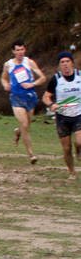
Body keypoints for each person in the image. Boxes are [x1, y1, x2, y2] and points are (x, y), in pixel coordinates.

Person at [0, 40, 46, 165]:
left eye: (22, 50)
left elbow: (43, 78)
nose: (20, 52)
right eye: (17, 50)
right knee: (24, 124)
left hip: (30, 97)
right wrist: (5, 85)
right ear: (13, 51)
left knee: (26, 125)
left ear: (25, 50)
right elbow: (3, 78)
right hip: (16, 97)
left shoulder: (29, 62)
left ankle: (18, 132)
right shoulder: (8, 65)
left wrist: (32, 84)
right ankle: (31, 154)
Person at [42, 51, 81, 180]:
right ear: (59, 65)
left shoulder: (79, 76)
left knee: (79, 141)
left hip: (78, 114)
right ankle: (72, 172)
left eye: (67, 61)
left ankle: (78, 151)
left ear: (72, 63)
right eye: (62, 62)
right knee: (66, 148)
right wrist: (51, 105)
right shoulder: (56, 79)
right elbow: (46, 97)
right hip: (63, 117)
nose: (65, 64)